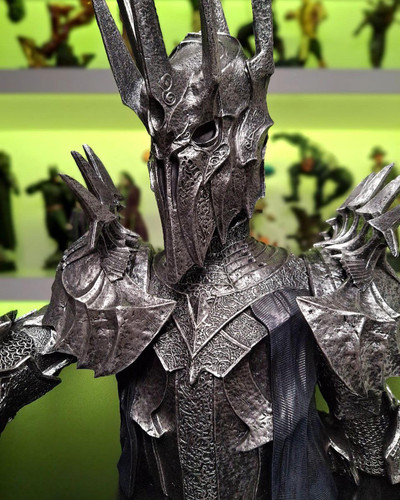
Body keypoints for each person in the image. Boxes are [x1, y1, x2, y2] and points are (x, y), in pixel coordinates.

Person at [2, 1, 400, 499]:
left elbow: (374, 449)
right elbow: (17, 359)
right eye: (163, 141)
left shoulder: (313, 289)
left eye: (202, 134)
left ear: (248, 138)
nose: (177, 158)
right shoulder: (126, 284)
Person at [26, 166, 74, 268]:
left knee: (64, 230)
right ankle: (60, 248)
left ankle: (64, 248)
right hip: (49, 212)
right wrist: (39, 184)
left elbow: (69, 200)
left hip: (59, 211)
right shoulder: (45, 184)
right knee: (51, 231)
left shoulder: (61, 186)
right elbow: (29, 190)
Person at [354, 0, 400, 68]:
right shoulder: (374, 16)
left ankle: (376, 66)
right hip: (377, 35)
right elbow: (366, 20)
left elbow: (394, 6)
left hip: (379, 34)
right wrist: (358, 30)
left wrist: (358, 30)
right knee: (375, 56)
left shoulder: (386, 14)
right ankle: (376, 65)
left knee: (376, 57)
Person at [285, 0, 327, 67]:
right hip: (305, 39)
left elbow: (322, 14)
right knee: (301, 60)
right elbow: (293, 15)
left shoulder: (313, 6)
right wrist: (290, 15)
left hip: (312, 38)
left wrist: (317, 15)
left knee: (319, 59)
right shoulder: (301, 9)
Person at [0, 152, 19, 271]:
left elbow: (16, 190)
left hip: (3, 208)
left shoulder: (7, 175)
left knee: (5, 231)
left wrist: (7, 175)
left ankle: (2, 254)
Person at [118, 171, 149, 241]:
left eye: (124, 179)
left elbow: (136, 202)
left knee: (137, 227)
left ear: (128, 179)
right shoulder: (119, 188)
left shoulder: (134, 189)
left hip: (131, 211)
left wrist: (131, 211)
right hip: (121, 211)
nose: (122, 181)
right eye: (121, 179)